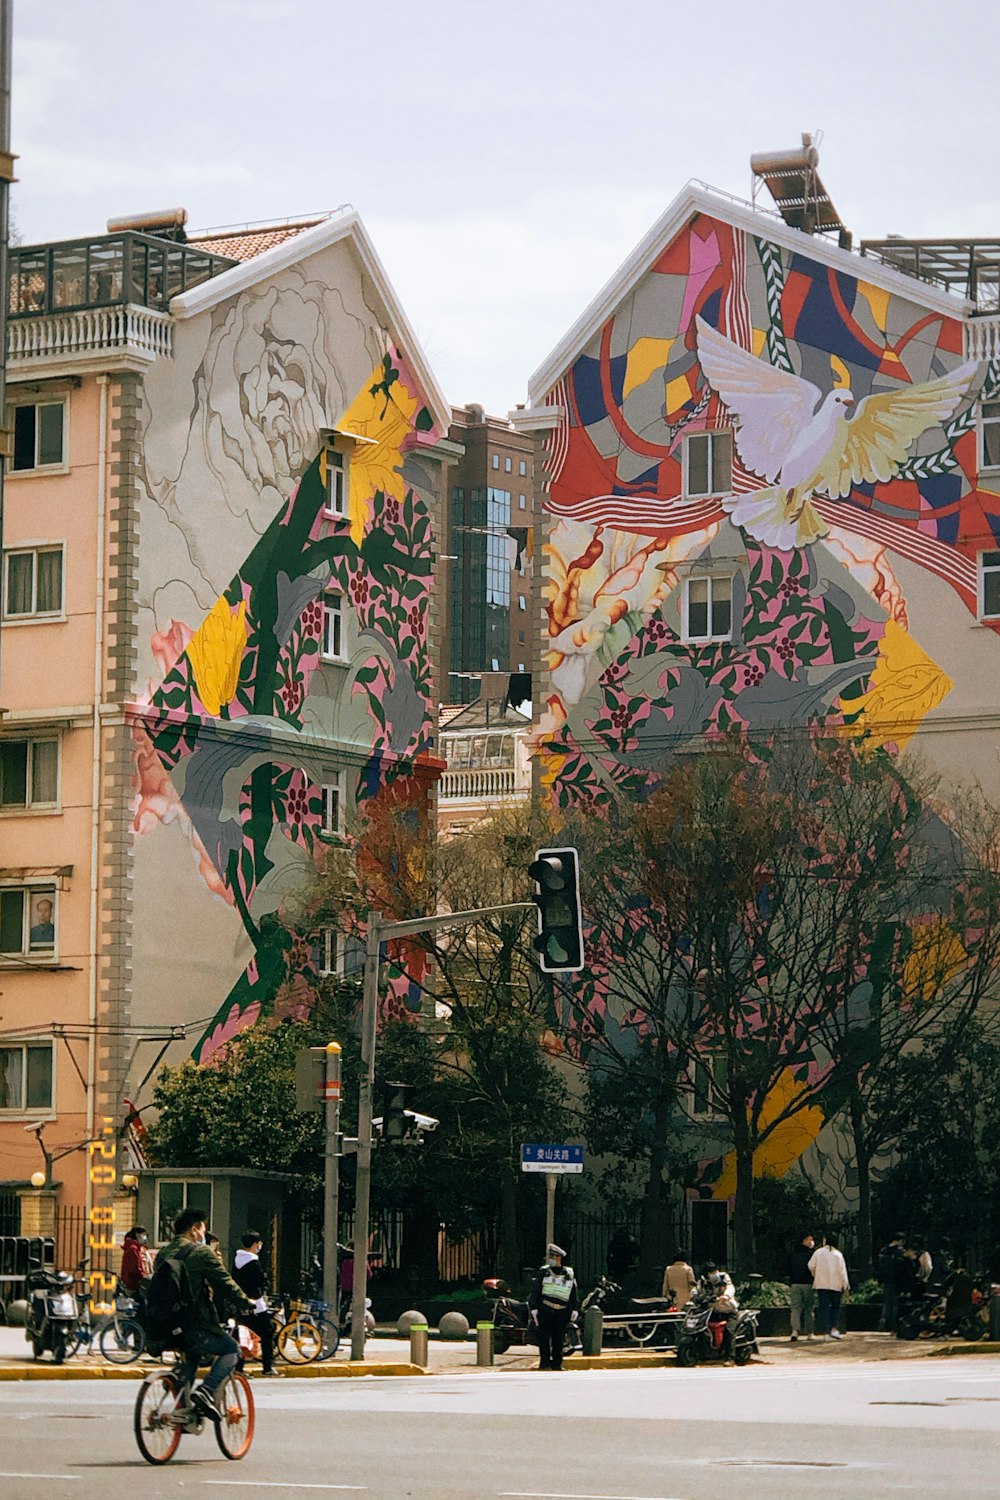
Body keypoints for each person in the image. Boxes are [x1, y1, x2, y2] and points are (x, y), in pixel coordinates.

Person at [154, 1207, 256, 1424]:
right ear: (194, 1229)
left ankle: (183, 1404)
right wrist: (246, 1302)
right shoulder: (201, 1253)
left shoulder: (163, 1254)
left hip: (163, 1326)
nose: (204, 1235)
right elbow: (225, 1283)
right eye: (203, 1230)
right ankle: (206, 1391)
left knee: (192, 1354)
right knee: (231, 1349)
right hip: (195, 1326)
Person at [232, 1230, 279, 1377]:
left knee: (242, 1335)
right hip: (256, 1304)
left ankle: (239, 1367)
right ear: (254, 1244)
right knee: (268, 1331)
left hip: (241, 1302)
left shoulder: (237, 1260)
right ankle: (267, 1367)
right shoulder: (253, 1262)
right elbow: (260, 1282)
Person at [528, 1243, 579, 1371]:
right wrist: (534, 1308)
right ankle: (544, 1363)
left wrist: (575, 1309)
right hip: (545, 1308)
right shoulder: (544, 1272)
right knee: (544, 1338)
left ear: (559, 1258)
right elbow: (536, 1290)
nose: (552, 1259)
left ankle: (557, 1364)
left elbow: (573, 1292)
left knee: (559, 1338)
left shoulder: (569, 1274)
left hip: (562, 1311)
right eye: (551, 1256)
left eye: (554, 1256)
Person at [808, 1233, 850, 1340]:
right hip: (836, 1285)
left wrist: (816, 1274)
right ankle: (833, 1329)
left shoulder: (818, 1252)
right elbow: (842, 1271)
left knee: (824, 1308)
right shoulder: (838, 1254)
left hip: (822, 1284)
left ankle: (826, 1331)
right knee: (835, 1307)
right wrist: (845, 1285)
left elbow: (810, 1265)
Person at [695, 1261, 740, 1349]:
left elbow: (730, 1288)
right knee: (701, 1328)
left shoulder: (724, 1277)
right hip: (712, 1312)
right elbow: (698, 1291)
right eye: (708, 1273)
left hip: (728, 1311)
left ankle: (730, 1357)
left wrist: (725, 1296)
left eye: (712, 1272)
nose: (710, 1275)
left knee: (729, 1331)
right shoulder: (703, 1282)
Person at [787, 1232, 816, 1342]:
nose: (811, 1242)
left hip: (795, 1284)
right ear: (804, 1241)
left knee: (795, 1309)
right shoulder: (811, 1254)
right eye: (809, 1239)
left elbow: (788, 1268)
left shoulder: (792, 1254)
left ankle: (795, 1331)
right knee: (809, 1309)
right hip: (808, 1283)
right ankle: (810, 1332)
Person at [877, 1232, 906, 1333]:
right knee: (895, 1303)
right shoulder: (900, 1252)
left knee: (887, 1302)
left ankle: (884, 1323)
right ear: (901, 1241)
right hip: (896, 1280)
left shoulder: (883, 1251)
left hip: (886, 1280)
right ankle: (894, 1326)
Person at [120, 1226, 153, 1294]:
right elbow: (135, 1269)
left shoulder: (135, 1248)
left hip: (132, 1283)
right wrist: (144, 1277)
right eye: (144, 1235)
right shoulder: (133, 1249)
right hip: (134, 1284)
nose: (145, 1238)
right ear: (137, 1235)